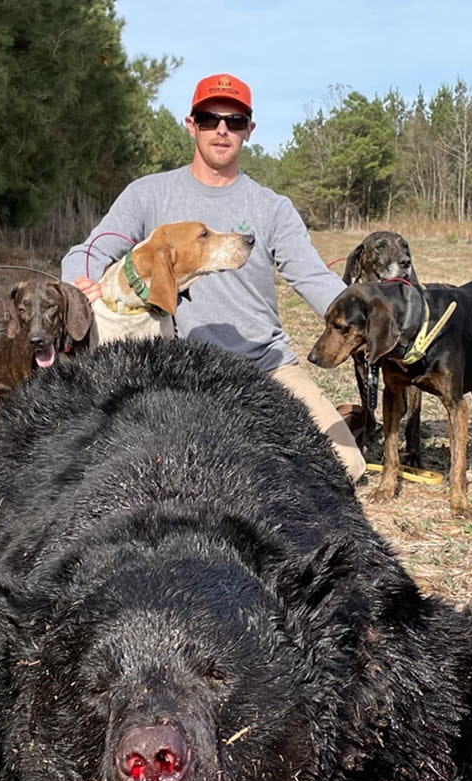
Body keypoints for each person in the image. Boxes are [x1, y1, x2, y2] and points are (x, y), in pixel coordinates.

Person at [61, 73, 366, 482]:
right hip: (185, 371)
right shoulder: (148, 194)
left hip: (266, 366)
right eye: (209, 118)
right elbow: (93, 248)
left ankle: (316, 430)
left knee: (345, 466)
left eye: (235, 121)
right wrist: (79, 282)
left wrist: (369, 313)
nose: (222, 129)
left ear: (249, 131)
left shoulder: (271, 207)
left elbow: (313, 277)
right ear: (192, 125)